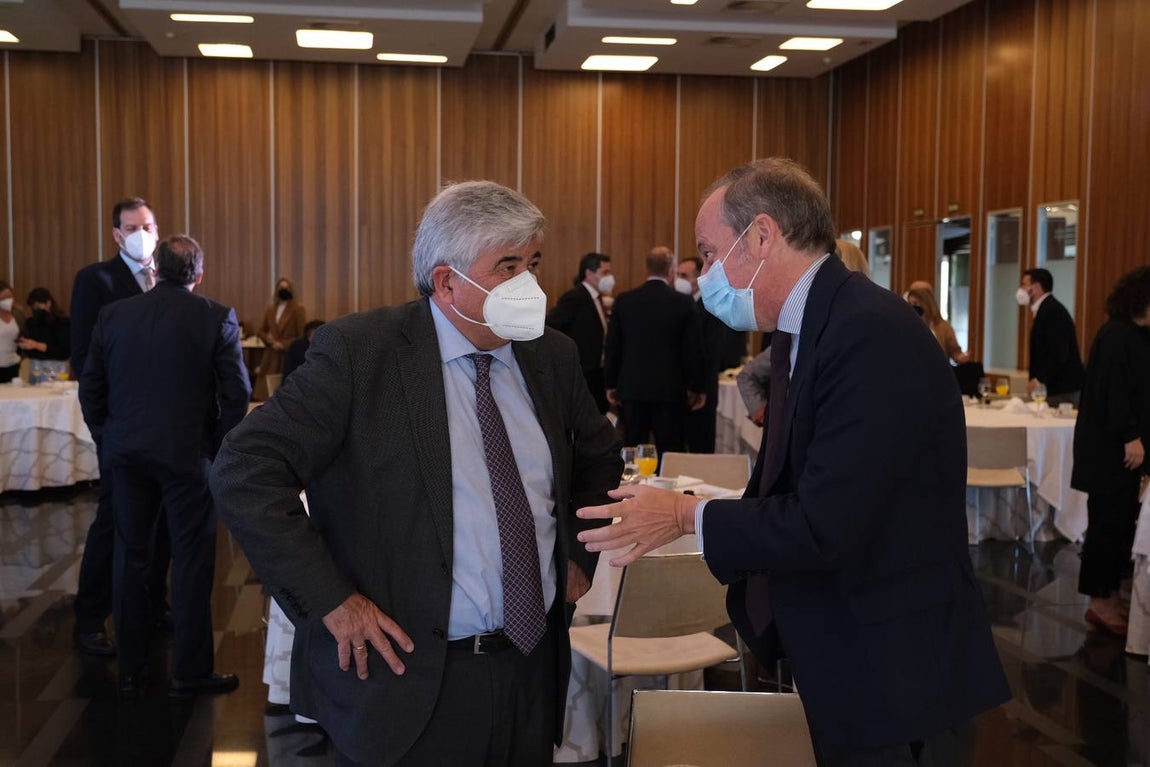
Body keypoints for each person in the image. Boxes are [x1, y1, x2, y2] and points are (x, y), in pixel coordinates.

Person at [578, 158, 1010, 765]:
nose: (705, 276)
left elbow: (824, 523)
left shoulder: (868, 332)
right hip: (848, 650)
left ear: (760, 236)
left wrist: (683, 516)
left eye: (709, 254)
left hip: (894, 669)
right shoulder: (805, 328)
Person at [209, 180, 622, 767]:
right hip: (406, 680)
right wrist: (332, 601)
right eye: (507, 265)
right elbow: (244, 469)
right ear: (446, 280)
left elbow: (599, 457)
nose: (528, 283)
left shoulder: (550, 355)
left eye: (532, 263)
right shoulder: (360, 353)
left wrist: (579, 557)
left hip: (530, 670)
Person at [79, 234, 249, 697]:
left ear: (155, 270)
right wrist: (212, 448)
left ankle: (131, 669)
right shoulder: (216, 316)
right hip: (186, 457)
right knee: (192, 562)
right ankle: (189, 672)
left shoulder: (114, 315)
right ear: (198, 274)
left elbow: (90, 387)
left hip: (127, 456)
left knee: (130, 558)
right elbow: (237, 394)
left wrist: (108, 437)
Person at [70, 197, 171, 657]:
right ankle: (90, 618)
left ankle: (152, 604)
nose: (142, 233)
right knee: (114, 522)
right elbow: (85, 362)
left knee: (164, 523)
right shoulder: (96, 280)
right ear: (116, 234)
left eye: (147, 224)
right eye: (132, 226)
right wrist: (103, 431)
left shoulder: (170, 275)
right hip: (122, 428)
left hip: (168, 426)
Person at [1071, 266, 1150, 637]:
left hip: (1123, 450)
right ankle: (1099, 603)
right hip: (1111, 452)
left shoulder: (1136, 335)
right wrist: (1131, 436)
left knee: (1119, 524)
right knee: (1106, 525)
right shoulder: (1117, 335)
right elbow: (1112, 393)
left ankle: (1109, 594)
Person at [604, 246, 705, 454]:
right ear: (671, 270)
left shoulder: (625, 300)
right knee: (670, 448)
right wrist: (697, 386)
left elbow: (613, 346)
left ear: (647, 269)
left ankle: (633, 486)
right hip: (670, 389)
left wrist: (610, 383)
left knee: (633, 446)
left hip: (632, 388)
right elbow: (692, 350)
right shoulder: (683, 303)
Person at [677, 256, 746, 453]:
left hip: (702, 388)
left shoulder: (711, 306)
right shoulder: (680, 304)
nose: (679, 280)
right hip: (680, 389)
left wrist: (700, 389)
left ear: (698, 277)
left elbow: (711, 352)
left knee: (701, 443)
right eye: (677, 275)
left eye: (684, 276)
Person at [546, 252, 614, 414]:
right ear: (589, 273)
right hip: (583, 371)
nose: (609, 277)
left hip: (598, 372)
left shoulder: (598, 298)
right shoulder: (575, 297)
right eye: (605, 273)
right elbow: (550, 326)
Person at [1018, 267, 1085, 406]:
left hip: (1063, 391)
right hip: (1055, 389)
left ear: (1036, 287)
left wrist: (1039, 379)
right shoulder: (1046, 309)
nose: (1021, 289)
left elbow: (1059, 352)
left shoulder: (1052, 311)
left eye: (1024, 285)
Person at [257, 277, 307, 378]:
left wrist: (283, 344)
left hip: (287, 355)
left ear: (291, 290)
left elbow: (302, 335)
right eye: (281, 287)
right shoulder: (270, 309)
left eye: (286, 288)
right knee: (266, 389)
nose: (284, 290)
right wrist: (267, 337)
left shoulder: (298, 309)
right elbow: (261, 330)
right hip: (270, 356)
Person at [906, 284, 969, 364]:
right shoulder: (909, 325)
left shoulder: (943, 326)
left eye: (915, 303)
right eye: (910, 304)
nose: (912, 308)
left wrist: (960, 357)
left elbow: (954, 351)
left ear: (926, 303)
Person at [17, 287, 70, 363]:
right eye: (33, 308)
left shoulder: (62, 323)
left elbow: (64, 352)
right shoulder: (30, 322)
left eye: (38, 307)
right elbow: (26, 350)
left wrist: (36, 345)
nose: (36, 310)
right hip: (35, 366)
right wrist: (23, 344)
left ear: (48, 303)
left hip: (56, 368)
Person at [0, 280, 23, 382]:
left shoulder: (18, 314)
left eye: (9, 297)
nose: (7, 300)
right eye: (3, 298)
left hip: (13, 364)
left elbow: (23, 336)